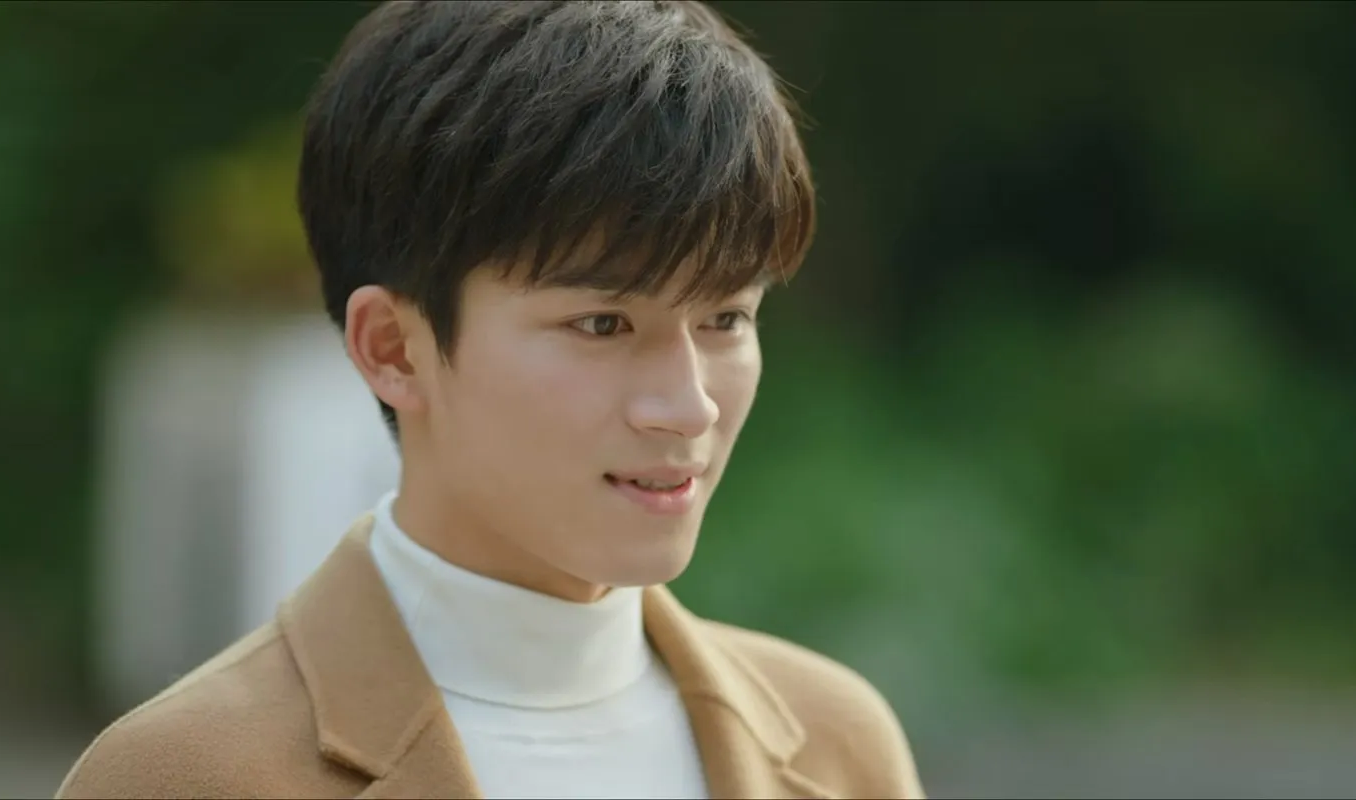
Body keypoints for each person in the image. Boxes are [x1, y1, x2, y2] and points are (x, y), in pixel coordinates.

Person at [55, 1, 925, 799]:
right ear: (393, 348)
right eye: (603, 325)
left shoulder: (837, 747)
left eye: (726, 318)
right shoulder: (189, 776)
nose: (688, 407)